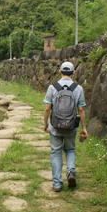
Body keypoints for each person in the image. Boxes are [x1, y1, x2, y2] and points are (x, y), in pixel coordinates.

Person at [43, 61, 88, 192]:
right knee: (70, 150)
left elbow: (47, 108)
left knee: (56, 152)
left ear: (60, 72)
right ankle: (71, 172)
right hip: (71, 126)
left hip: (55, 126)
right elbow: (81, 110)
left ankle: (57, 183)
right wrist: (83, 127)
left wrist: (45, 124)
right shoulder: (78, 88)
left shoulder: (53, 87)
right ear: (73, 73)